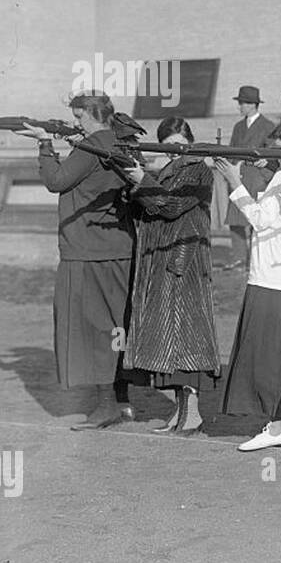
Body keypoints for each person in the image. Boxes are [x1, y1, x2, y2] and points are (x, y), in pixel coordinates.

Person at [15, 92, 140, 429]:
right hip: (115, 247)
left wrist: (44, 145)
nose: (75, 123)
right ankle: (120, 400)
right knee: (116, 327)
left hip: (86, 250)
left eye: (78, 117)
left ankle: (106, 406)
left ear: (90, 115)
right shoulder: (118, 141)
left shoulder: (91, 145)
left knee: (91, 329)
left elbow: (56, 181)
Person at [214, 119, 281, 452]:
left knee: (269, 357)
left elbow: (261, 219)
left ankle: (277, 424)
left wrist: (235, 182)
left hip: (274, 279)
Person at [117, 117, 220, 435]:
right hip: (163, 259)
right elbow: (151, 207)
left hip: (183, 260)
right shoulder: (167, 171)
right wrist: (134, 186)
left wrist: (142, 181)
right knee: (170, 337)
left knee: (187, 335)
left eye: (178, 143)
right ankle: (182, 412)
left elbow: (172, 205)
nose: (173, 151)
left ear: (188, 140)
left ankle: (193, 414)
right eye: (168, 145)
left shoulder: (199, 169)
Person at [224, 85, 275, 271]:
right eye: (240, 103)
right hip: (238, 176)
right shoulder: (238, 126)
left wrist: (264, 176)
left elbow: (271, 155)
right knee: (235, 219)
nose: (240, 107)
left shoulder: (268, 126)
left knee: (256, 219)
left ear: (253, 105)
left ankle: (255, 259)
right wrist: (231, 170)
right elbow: (231, 150)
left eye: (243, 103)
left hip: (257, 178)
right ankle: (239, 258)